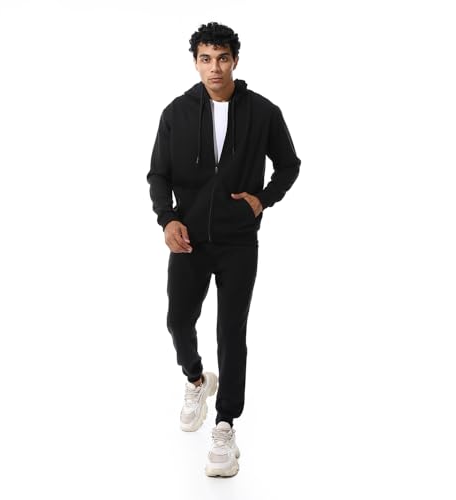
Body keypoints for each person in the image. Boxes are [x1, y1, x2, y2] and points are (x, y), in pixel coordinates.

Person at [147, 22, 300, 477]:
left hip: (237, 241)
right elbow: (158, 175)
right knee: (178, 321)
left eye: (222, 58)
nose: (214, 67)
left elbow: (289, 165)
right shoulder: (176, 112)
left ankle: (226, 425)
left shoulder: (263, 112)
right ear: (195, 62)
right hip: (189, 240)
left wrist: (263, 199)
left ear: (235, 60)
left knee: (231, 332)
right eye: (206, 59)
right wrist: (168, 219)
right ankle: (197, 379)